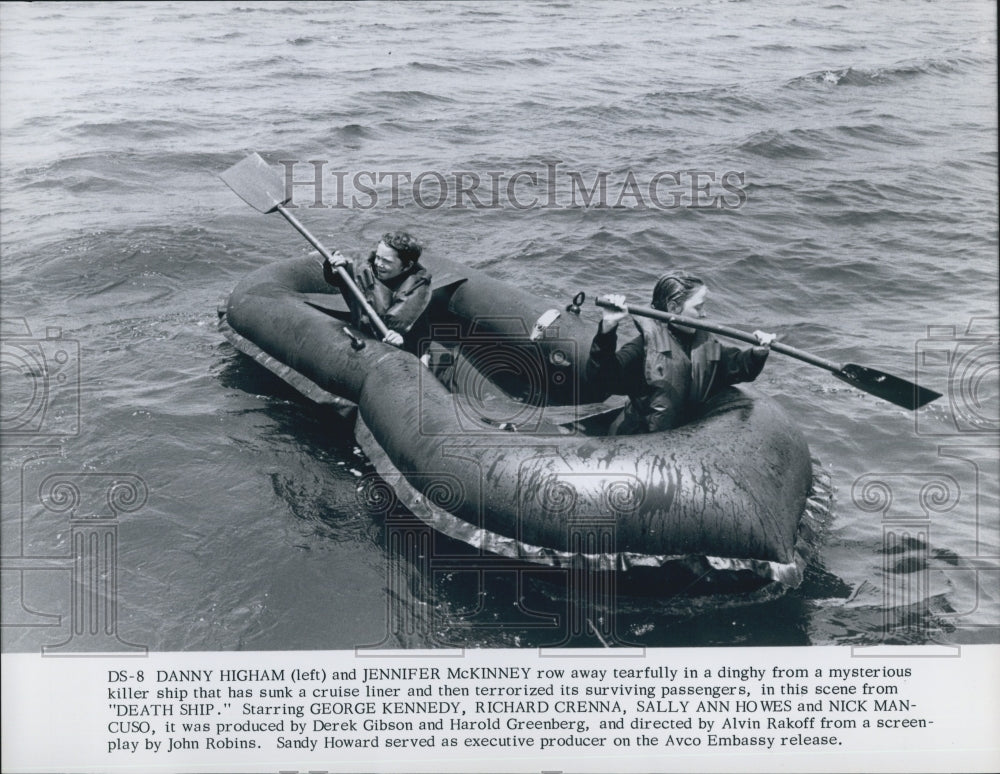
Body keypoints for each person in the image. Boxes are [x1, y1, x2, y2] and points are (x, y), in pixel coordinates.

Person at [586, 271, 777, 434]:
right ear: (673, 308)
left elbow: (735, 367)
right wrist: (608, 328)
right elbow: (602, 380)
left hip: (681, 441)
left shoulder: (703, 343)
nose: (703, 314)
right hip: (640, 441)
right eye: (698, 307)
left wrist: (757, 352)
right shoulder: (642, 349)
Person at [323, 231, 432, 356]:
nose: (379, 264)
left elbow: (418, 337)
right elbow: (335, 280)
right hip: (362, 332)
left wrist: (401, 340)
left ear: (407, 266)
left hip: (402, 343)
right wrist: (335, 268)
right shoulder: (367, 268)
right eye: (378, 257)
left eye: (387, 261)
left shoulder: (417, 290)